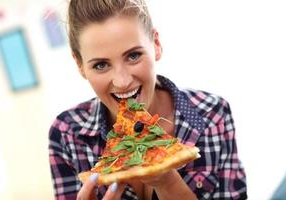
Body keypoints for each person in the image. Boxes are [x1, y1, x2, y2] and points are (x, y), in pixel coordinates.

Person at [48, 0, 247, 199]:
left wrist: (167, 182)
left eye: (133, 56)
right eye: (101, 65)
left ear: (156, 44)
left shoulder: (214, 113)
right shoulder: (67, 133)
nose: (122, 81)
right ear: (80, 65)